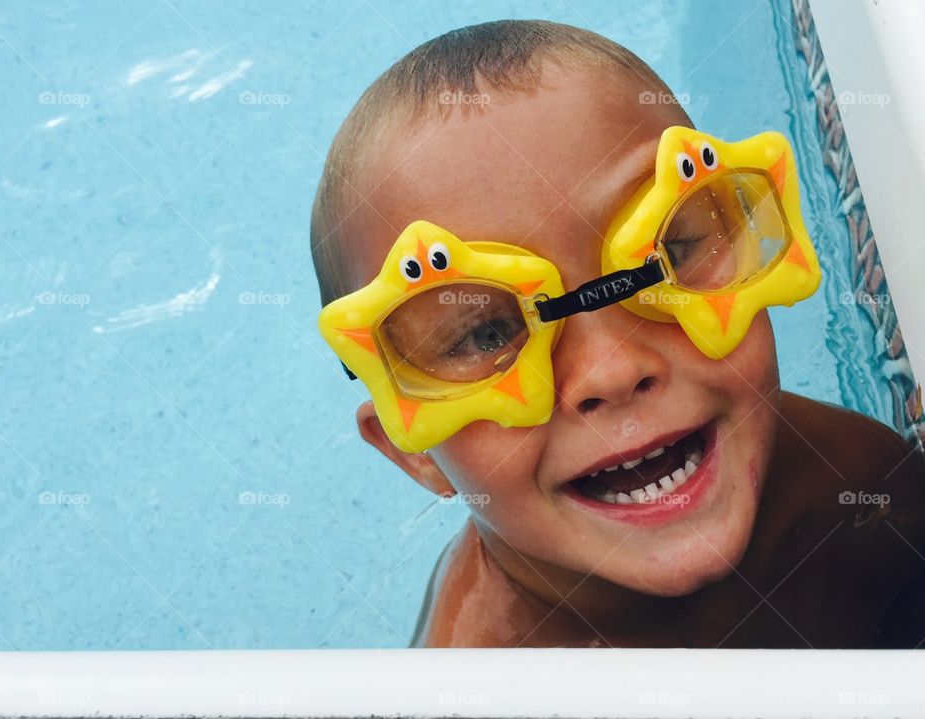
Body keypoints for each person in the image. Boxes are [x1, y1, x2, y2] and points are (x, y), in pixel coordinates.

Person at [310, 19, 925, 648]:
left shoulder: (854, 481)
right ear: (414, 452)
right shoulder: (482, 680)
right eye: (484, 333)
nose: (613, 369)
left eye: (671, 254)